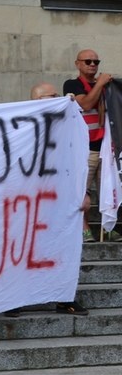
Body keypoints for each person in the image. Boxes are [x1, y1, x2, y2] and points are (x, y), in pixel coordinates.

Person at [4, 82, 89, 317]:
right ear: (36, 101)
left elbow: (77, 161)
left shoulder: (67, 126)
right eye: (52, 96)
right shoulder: (19, 127)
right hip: (26, 202)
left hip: (58, 201)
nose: (58, 98)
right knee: (21, 249)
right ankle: (13, 299)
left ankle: (64, 297)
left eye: (58, 96)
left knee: (62, 247)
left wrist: (85, 192)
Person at [64, 49, 111, 243]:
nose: (93, 64)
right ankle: (83, 228)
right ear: (78, 64)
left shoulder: (109, 87)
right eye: (88, 61)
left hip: (106, 147)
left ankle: (108, 227)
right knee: (82, 190)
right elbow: (86, 104)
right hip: (85, 146)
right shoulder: (72, 84)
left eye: (96, 62)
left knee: (108, 189)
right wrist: (100, 83)